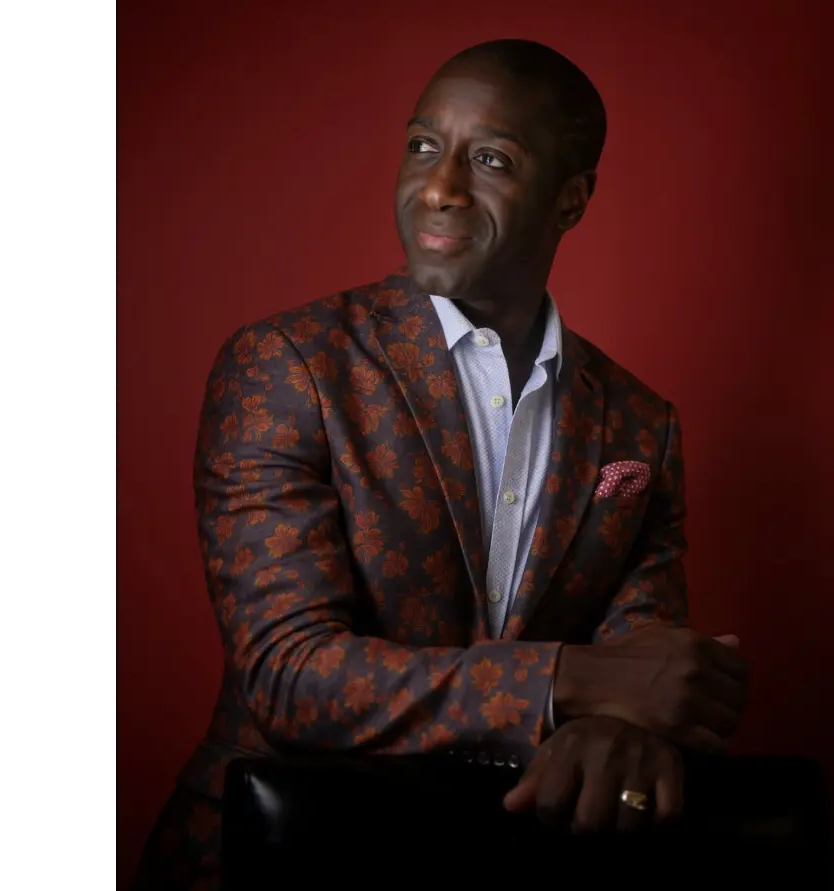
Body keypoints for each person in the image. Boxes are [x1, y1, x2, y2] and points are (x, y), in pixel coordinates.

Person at [130, 38, 749, 890]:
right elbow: (288, 675)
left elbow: (646, 672)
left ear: (571, 199)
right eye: (423, 145)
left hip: (514, 862)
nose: (439, 186)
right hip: (279, 859)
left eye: (490, 159)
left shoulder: (642, 426)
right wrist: (568, 681)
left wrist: (625, 724)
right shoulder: (289, 365)